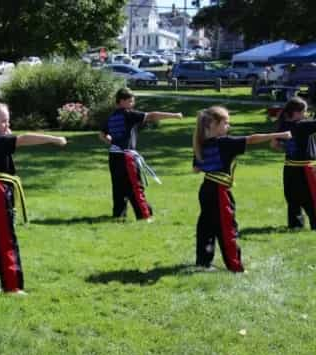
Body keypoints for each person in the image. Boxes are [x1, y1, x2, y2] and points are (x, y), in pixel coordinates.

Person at [0, 101, 67, 294]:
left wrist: (3, 129)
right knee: (6, 239)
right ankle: (12, 286)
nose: (7, 126)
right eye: (3, 121)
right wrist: (54, 139)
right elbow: (23, 139)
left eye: (8, 121)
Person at [193, 106, 291, 272]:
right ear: (214, 124)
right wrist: (278, 135)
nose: (228, 127)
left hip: (206, 188)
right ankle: (235, 267)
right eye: (226, 123)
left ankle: (203, 263)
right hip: (218, 191)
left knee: (206, 226)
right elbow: (252, 139)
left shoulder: (201, 142)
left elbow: (196, 169)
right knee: (227, 228)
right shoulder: (224, 142)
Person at [99, 87, 183, 221]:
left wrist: (113, 143)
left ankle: (119, 215)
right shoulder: (128, 114)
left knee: (118, 187)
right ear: (121, 101)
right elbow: (152, 116)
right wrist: (174, 115)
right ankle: (144, 215)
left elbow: (102, 135)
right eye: (130, 101)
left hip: (114, 156)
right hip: (126, 157)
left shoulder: (112, 117)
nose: (132, 104)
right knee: (135, 185)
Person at [271, 97, 316, 229]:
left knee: (293, 198)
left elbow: (274, 144)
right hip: (306, 169)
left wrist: (289, 149)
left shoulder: (283, 125)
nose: (306, 115)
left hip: (289, 168)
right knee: (311, 197)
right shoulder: (303, 125)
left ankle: (295, 224)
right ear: (296, 113)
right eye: (304, 112)